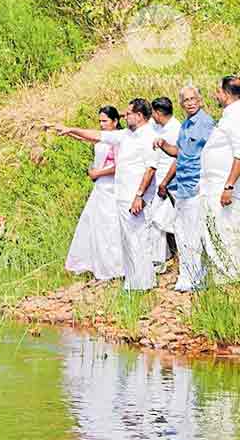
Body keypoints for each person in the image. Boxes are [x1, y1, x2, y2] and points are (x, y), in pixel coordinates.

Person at [57, 99, 161, 290]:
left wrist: (139, 195)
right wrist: (70, 129)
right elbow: (98, 135)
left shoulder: (149, 137)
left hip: (135, 197)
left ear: (139, 116)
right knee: (128, 239)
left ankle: (143, 283)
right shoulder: (127, 135)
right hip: (122, 195)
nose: (124, 116)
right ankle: (133, 282)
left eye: (128, 113)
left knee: (138, 238)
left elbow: (151, 168)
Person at [155, 86, 215, 291]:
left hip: (196, 185)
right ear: (181, 104)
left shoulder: (206, 123)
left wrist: (204, 181)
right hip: (182, 186)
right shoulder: (186, 125)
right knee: (182, 233)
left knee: (194, 234)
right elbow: (179, 152)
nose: (190, 103)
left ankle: (197, 279)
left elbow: (213, 153)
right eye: (186, 100)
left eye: (193, 99)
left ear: (200, 100)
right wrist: (164, 144)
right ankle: (187, 277)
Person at [63, 106, 123, 280]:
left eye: (105, 121)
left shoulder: (118, 139)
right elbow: (87, 138)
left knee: (110, 225)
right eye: (100, 121)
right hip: (100, 187)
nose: (102, 124)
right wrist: (67, 132)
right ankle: (96, 264)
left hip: (111, 185)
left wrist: (98, 173)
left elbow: (119, 165)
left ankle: (115, 266)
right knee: (95, 224)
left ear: (115, 121)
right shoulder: (102, 138)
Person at [198, 76, 240, 282]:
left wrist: (229, 186)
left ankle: (230, 282)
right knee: (218, 236)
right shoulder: (229, 116)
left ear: (226, 93)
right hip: (215, 186)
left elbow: (239, 153)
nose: (215, 95)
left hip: (225, 188)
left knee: (226, 237)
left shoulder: (235, 117)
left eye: (218, 91)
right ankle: (225, 281)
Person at [148, 96, 180, 269]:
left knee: (160, 220)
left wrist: (165, 183)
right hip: (159, 180)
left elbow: (177, 159)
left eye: (153, 112)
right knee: (159, 220)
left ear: (159, 113)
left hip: (169, 182)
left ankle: (160, 260)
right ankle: (164, 257)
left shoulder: (175, 130)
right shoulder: (161, 126)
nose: (152, 115)